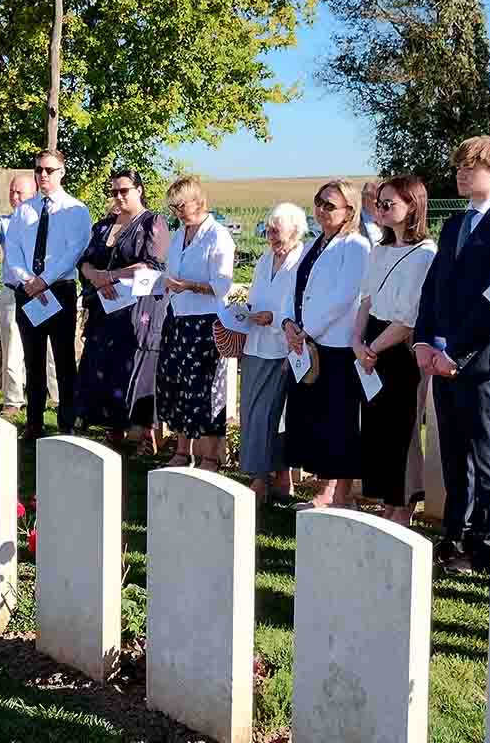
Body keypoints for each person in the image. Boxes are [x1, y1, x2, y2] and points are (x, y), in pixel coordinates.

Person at [413, 136, 490, 573]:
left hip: (482, 362)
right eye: (459, 166)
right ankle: (453, 533)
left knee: (487, 456)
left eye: (472, 166)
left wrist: (457, 353)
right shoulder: (454, 225)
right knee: (452, 454)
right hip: (442, 357)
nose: (462, 172)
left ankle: (487, 543)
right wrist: (424, 340)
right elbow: (434, 288)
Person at [280, 179, 371, 506]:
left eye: (329, 205)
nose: (321, 209)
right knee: (313, 419)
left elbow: (346, 296)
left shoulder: (356, 246)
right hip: (306, 344)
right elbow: (295, 288)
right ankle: (324, 489)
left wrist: (307, 329)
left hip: (336, 346)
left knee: (338, 422)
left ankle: (340, 495)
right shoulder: (313, 245)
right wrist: (288, 322)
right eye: (319, 202)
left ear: (350, 211)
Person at [353, 177, 437, 525]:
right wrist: (357, 342)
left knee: (401, 426)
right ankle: (387, 496)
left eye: (390, 204)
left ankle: (403, 502)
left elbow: (409, 315)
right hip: (371, 338)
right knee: (376, 427)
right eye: (379, 203)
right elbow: (367, 298)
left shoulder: (426, 254)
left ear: (412, 207)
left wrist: (372, 346)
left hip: (400, 345)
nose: (381, 209)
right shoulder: (380, 249)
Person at [75, 169, 169, 447]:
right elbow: (85, 261)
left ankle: (142, 433)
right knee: (103, 366)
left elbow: (152, 265)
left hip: (137, 312)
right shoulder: (103, 226)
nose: (118, 196)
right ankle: (113, 428)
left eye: (124, 190)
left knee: (134, 369)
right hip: (104, 309)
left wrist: (111, 276)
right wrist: (95, 277)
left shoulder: (153, 223)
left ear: (139, 190)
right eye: (114, 191)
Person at [2, 149, 91, 439]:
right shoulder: (24, 210)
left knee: (64, 360)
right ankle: (34, 423)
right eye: (38, 169)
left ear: (61, 172)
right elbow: (12, 251)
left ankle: (66, 423)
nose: (42, 174)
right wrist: (29, 280)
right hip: (28, 290)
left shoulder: (76, 209)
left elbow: (74, 251)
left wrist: (45, 280)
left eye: (49, 170)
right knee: (33, 359)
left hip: (59, 290)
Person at [156, 176, 236, 470]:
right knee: (176, 385)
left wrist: (188, 285)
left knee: (204, 388)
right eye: (173, 206)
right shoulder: (179, 235)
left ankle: (211, 456)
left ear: (198, 201)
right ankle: (181, 450)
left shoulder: (218, 236)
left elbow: (222, 285)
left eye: (181, 204)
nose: (177, 210)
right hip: (177, 318)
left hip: (204, 322)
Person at [0, 173, 57, 418]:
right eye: (11, 191)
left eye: (19, 192)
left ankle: (59, 397)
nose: (14, 196)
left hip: (42, 292)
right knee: (13, 348)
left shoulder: (45, 222)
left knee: (50, 348)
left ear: (33, 196)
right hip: (13, 293)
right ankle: (12, 401)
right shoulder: (4, 223)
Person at [239, 202, 306, 504]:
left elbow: (299, 302)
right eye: (269, 230)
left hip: (284, 346)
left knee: (279, 415)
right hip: (257, 344)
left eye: (277, 231)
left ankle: (274, 477)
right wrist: (248, 313)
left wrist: (276, 319)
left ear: (294, 231)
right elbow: (256, 294)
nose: (271, 237)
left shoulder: (302, 258)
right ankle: (261, 476)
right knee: (255, 412)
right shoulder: (265, 259)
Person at [358, 180, 384, 246]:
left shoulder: (387, 221)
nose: (382, 206)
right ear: (365, 200)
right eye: (377, 202)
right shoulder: (354, 223)